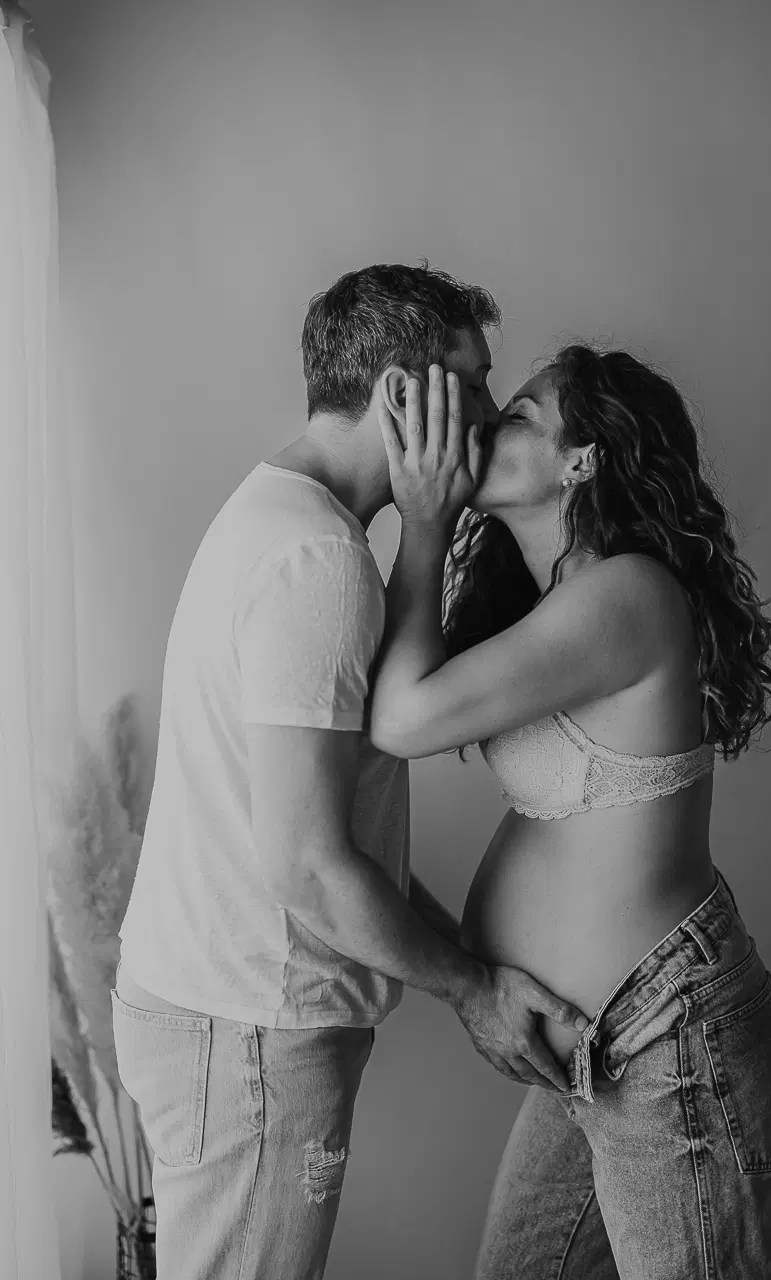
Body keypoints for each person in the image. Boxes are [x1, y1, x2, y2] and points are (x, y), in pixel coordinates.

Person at [111, 264, 589, 1280]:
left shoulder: (286, 518)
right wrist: (471, 990)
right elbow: (310, 867)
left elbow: (331, 835)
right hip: (252, 1032)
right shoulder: (317, 563)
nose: (490, 413)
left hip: (223, 1018)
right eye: (474, 381)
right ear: (400, 394)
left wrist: (470, 954)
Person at [370, 347, 771, 1279]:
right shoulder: (553, 601)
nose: (487, 424)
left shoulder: (625, 594)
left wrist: (425, 521)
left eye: (519, 415)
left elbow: (400, 720)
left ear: (582, 459)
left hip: (668, 1044)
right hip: (598, 1055)